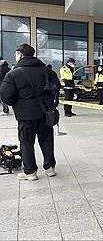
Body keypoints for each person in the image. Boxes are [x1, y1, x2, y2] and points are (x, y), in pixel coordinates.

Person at [0, 44, 58, 181]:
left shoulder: (13, 74)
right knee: (47, 140)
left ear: (20, 54)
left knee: (26, 142)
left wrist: (18, 103)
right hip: (45, 112)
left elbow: (6, 96)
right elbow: (56, 86)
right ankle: (50, 168)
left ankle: (30, 172)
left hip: (25, 115)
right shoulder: (46, 70)